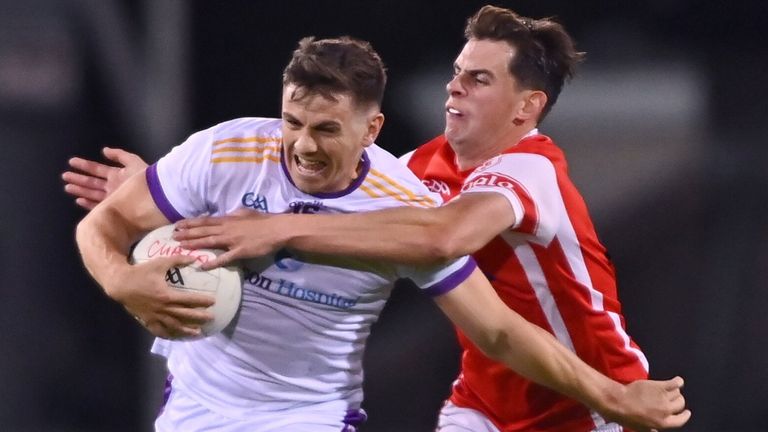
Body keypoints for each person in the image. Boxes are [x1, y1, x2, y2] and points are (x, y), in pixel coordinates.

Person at [66, 19, 690, 432]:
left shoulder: (495, 180)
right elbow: (104, 225)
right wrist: (126, 267)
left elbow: (481, 301)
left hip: (315, 414)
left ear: (372, 130)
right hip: (197, 404)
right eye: (292, 123)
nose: (302, 146)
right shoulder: (230, 151)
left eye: (326, 129)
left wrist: (277, 228)